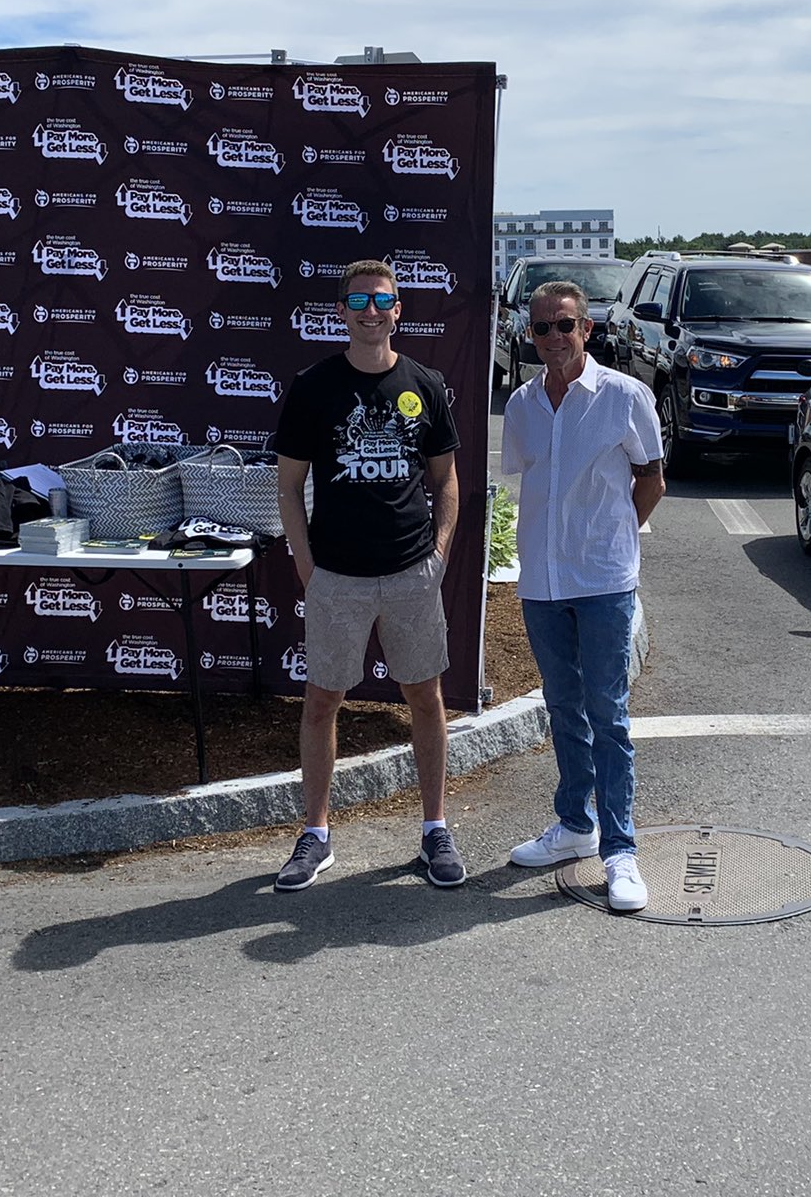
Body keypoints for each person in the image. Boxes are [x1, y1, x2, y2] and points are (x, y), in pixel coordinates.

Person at [272, 259, 463, 892]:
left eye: (381, 300)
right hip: (337, 576)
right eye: (358, 301)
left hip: (411, 572)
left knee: (425, 697)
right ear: (342, 312)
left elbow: (446, 480)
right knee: (322, 700)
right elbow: (289, 486)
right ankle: (316, 834)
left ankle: (435, 829)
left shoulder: (424, 384)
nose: (370, 311)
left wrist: (437, 556)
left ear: (398, 310)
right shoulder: (313, 386)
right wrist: (306, 565)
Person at [500, 280, 667, 912]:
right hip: (543, 582)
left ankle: (620, 852)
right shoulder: (521, 404)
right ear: (530, 333)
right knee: (563, 708)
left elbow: (652, 480)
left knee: (608, 715)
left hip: (602, 581)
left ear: (586, 329)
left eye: (564, 325)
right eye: (541, 327)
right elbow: (531, 480)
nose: (553, 337)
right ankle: (575, 824)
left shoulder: (625, 396)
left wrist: (614, 534)